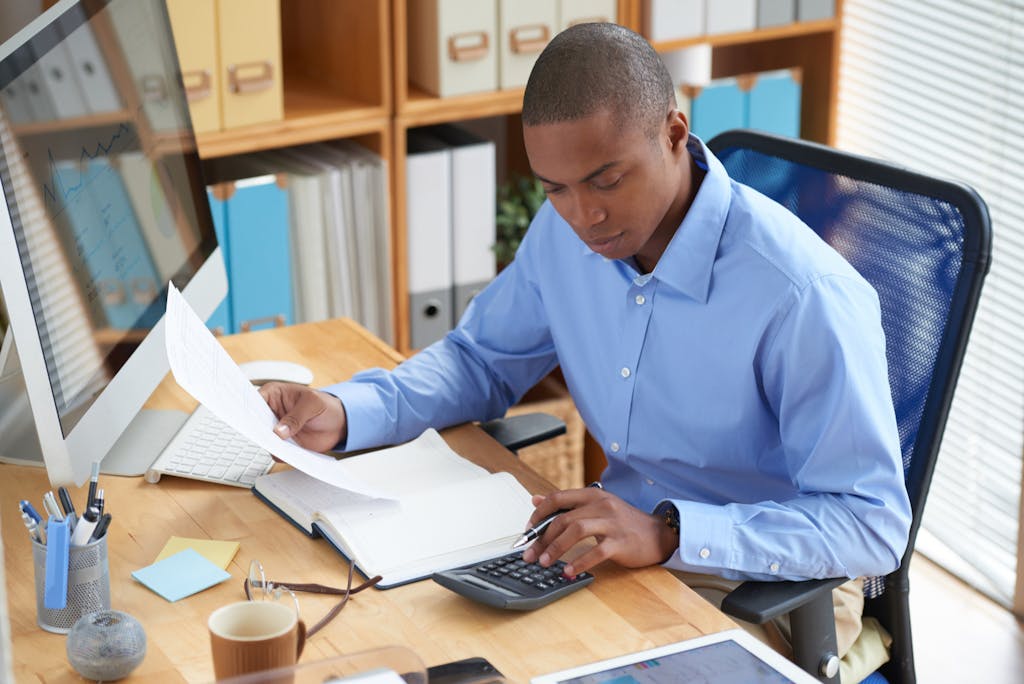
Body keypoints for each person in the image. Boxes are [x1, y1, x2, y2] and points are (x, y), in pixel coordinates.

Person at [260, 22, 911, 681]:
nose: (583, 216)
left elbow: (871, 525)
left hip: (762, 590)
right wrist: (345, 411)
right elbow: (481, 359)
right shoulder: (566, 232)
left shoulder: (802, 296)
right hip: (612, 553)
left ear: (674, 133)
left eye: (606, 180)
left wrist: (672, 532)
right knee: (395, 646)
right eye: (556, 188)